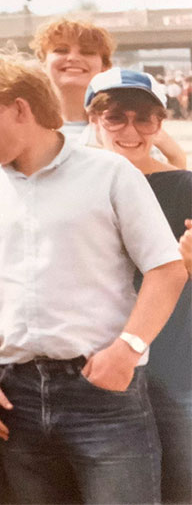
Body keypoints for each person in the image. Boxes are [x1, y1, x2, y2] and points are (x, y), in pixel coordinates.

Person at [0, 52, 187, 504]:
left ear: (20, 109)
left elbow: (166, 269)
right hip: (12, 396)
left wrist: (128, 349)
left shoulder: (110, 174)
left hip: (103, 393)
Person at [85, 67, 192, 503]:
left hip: (173, 366)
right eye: (115, 117)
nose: (130, 130)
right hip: (98, 364)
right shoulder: (77, 187)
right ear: (93, 120)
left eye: (144, 119)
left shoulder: (184, 187)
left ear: (158, 126)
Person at [31, 18, 186, 168]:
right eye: (61, 50)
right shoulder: (28, 126)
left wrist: (177, 158)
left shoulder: (133, 128)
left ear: (105, 66)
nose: (73, 57)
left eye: (87, 52)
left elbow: (162, 186)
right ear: (43, 63)